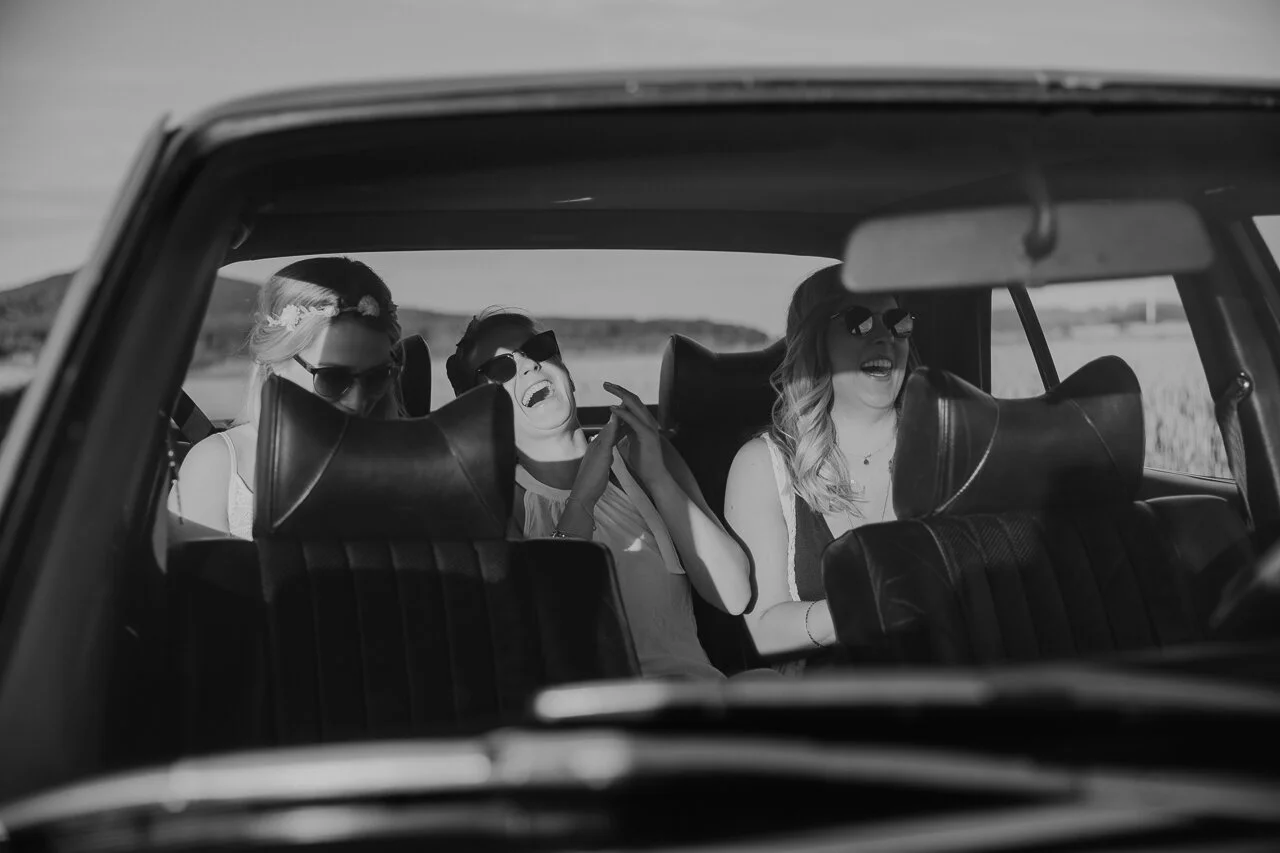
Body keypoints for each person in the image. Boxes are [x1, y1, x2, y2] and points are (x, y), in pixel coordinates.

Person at [447, 308, 753, 681]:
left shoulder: (642, 454)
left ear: (565, 369)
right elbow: (543, 638)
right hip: (594, 709)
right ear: (482, 407)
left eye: (539, 349)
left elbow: (734, 595)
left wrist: (658, 477)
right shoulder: (496, 503)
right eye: (501, 368)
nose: (529, 366)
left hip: (698, 697)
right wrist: (582, 500)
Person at [724, 264, 915, 673]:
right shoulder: (763, 465)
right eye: (859, 322)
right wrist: (873, 607)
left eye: (898, 322)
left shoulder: (948, 444)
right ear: (815, 342)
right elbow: (765, 629)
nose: (884, 336)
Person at [172, 257, 405, 538]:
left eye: (377, 376)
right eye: (333, 378)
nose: (358, 401)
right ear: (274, 365)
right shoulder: (217, 467)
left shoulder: (411, 459)